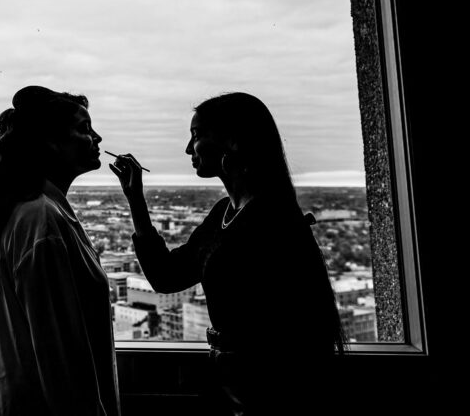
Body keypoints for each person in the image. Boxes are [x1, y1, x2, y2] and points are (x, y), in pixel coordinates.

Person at [109, 92, 346, 416]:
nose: (188, 149)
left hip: (270, 394)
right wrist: (135, 198)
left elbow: (294, 337)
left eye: (196, 135)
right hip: (232, 385)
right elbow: (166, 276)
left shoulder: (272, 222)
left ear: (231, 141)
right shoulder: (227, 212)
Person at [0, 85, 119, 416]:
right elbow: (61, 359)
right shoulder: (43, 221)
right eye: (84, 129)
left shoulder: (37, 211)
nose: (98, 138)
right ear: (50, 142)